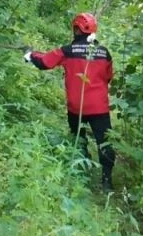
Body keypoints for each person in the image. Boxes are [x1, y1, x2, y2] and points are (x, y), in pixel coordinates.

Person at [24, 13, 116, 190]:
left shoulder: (67, 51)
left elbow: (44, 62)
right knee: (104, 142)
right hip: (99, 107)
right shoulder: (104, 53)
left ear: (76, 29)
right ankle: (106, 180)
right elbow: (108, 77)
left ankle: (81, 171)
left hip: (77, 107)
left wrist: (30, 55)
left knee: (78, 138)